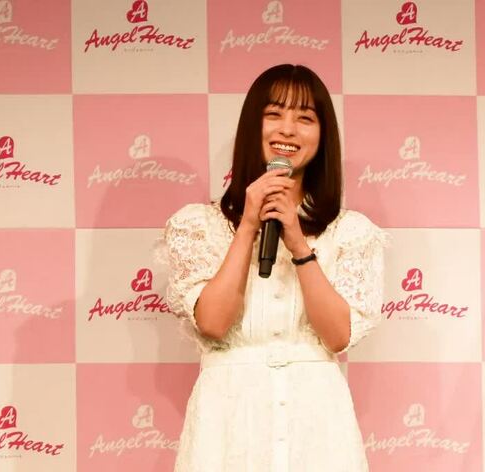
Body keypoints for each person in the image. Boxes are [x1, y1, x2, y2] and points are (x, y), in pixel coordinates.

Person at [164, 64, 384, 471]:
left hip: (316, 423)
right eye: (274, 114)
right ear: (253, 125)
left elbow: (338, 336)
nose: (287, 130)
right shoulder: (199, 225)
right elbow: (212, 322)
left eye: (305, 118)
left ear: (323, 134)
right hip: (228, 422)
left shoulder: (350, 232)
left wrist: (298, 242)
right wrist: (249, 224)